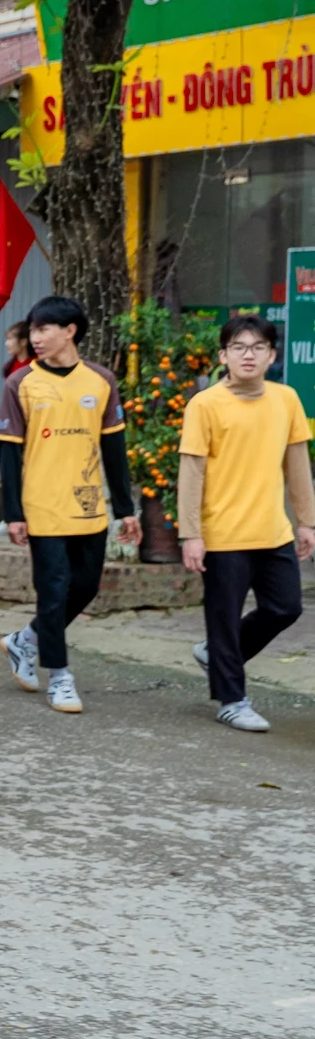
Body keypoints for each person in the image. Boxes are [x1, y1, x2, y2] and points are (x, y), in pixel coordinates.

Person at [0, 296, 141, 714]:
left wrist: (126, 509)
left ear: (70, 331)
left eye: (44, 330)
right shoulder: (19, 383)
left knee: (86, 586)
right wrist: (13, 514)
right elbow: (8, 454)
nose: (35, 339)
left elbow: (114, 449)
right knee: (54, 590)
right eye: (33, 331)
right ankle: (59, 676)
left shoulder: (101, 381)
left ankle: (26, 640)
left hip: (90, 506)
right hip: (41, 508)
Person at [178, 314, 315, 733]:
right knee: (223, 617)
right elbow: (192, 470)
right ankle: (231, 699)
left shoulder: (286, 399)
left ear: (272, 355)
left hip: (273, 529)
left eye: (258, 347)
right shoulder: (205, 404)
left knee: (286, 607)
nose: (248, 355)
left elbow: (297, 465)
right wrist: (191, 534)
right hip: (222, 534)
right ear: (223, 356)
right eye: (238, 347)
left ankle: (218, 655)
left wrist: (306, 523)